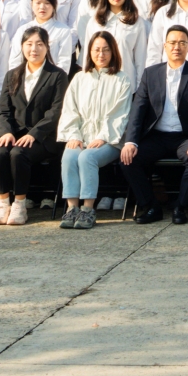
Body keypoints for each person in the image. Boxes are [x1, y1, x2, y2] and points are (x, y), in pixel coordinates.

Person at [120, 25, 188, 224]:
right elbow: (138, 111)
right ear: (164, 46)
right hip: (157, 136)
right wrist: (131, 142)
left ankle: (180, 207)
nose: (176, 47)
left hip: (185, 136)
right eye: (172, 43)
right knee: (128, 159)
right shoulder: (150, 74)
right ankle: (151, 207)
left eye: (182, 43)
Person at [0, 27, 68, 225]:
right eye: (29, 44)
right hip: (15, 135)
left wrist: (34, 134)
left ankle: (20, 205)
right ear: (22, 47)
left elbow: (56, 111)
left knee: (18, 154)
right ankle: (3, 204)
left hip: (44, 138)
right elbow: (4, 110)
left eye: (39, 44)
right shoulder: (12, 75)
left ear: (47, 47)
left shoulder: (57, 75)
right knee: (0, 153)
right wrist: (6, 132)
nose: (34, 49)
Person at [57, 30, 131, 229]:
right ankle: (72, 208)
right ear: (89, 52)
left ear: (113, 52)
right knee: (69, 156)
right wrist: (74, 135)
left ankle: (88, 209)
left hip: (110, 140)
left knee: (87, 157)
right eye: (96, 50)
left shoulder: (122, 79)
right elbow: (70, 110)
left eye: (106, 50)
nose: (101, 54)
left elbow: (120, 115)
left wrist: (103, 137)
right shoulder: (79, 79)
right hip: (82, 137)